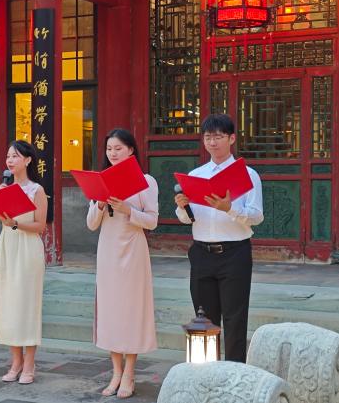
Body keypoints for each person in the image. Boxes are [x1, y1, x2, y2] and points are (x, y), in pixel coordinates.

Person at [174, 113, 264, 363]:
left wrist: (230, 208)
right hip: (202, 253)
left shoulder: (248, 174)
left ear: (232, 138)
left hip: (235, 254)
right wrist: (182, 206)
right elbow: (187, 219)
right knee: (203, 318)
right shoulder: (196, 174)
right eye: (207, 137)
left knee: (235, 318)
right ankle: (204, 373)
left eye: (218, 136)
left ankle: (234, 374)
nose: (212, 142)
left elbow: (257, 216)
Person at [86, 128, 159, 399]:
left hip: (132, 250)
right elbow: (91, 224)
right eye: (109, 149)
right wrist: (99, 205)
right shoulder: (101, 180)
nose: (113, 153)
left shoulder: (146, 181)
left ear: (131, 150)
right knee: (110, 310)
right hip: (107, 250)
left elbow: (153, 220)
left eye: (118, 148)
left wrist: (129, 210)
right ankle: (115, 371)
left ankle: (129, 372)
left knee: (131, 310)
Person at [0, 140, 47, 385]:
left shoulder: (36, 190)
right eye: (8, 156)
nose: (10, 160)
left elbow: (40, 226)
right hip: (8, 246)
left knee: (27, 304)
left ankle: (30, 363)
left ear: (28, 160)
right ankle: (15, 361)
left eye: (15, 156)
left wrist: (16, 224)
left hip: (28, 248)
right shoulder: (4, 188)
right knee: (9, 304)